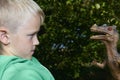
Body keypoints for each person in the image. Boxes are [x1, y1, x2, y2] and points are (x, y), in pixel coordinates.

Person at [0, 0, 55, 80]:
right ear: (5, 36)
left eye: (37, 34)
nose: (37, 42)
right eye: (31, 35)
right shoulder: (22, 73)